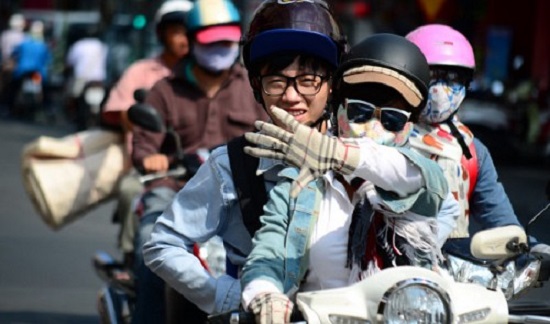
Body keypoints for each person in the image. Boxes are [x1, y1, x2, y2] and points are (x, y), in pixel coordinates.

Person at [142, 0, 348, 317]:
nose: (291, 96)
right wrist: (232, 297)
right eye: (276, 81)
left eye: (308, 80)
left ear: (332, 84)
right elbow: (162, 244)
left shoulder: (361, 159)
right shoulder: (231, 164)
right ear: (257, 85)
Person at [240, 33, 458, 323]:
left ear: (409, 127)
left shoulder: (417, 175)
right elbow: (268, 251)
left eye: (391, 119)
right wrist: (264, 294)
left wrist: (341, 154)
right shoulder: (300, 178)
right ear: (338, 108)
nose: (373, 126)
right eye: (360, 111)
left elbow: (422, 179)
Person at [131, 0, 267, 322]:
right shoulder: (164, 91)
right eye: (212, 40)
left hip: (241, 194)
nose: (222, 47)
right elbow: (143, 146)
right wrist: (153, 159)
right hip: (175, 189)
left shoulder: (254, 88)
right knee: (152, 245)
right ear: (190, 41)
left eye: (228, 41)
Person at [405, 24, 550, 254]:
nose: (442, 88)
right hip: (386, 271)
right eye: (432, 75)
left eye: (454, 77)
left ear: (467, 83)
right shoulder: (382, 135)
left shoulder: (471, 151)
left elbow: (501, 222)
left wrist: (532, 248)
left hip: (451, 277)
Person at [101, 0, 194, 271]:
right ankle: (133, 261)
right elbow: (119, 113)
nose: (184, 39)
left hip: (201, 165)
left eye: (189, 31)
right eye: (177, 31)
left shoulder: (210, 75)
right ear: (162, 35)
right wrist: (151, 149)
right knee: (131, 190)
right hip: (152, 167)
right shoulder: (141, 72)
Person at [65, 25, 108, 129]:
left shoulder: (78, 45)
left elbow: (70, 62)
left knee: (74, 98)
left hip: (82, 78)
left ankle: (75, 117)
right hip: (98, 80)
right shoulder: (103, 46)